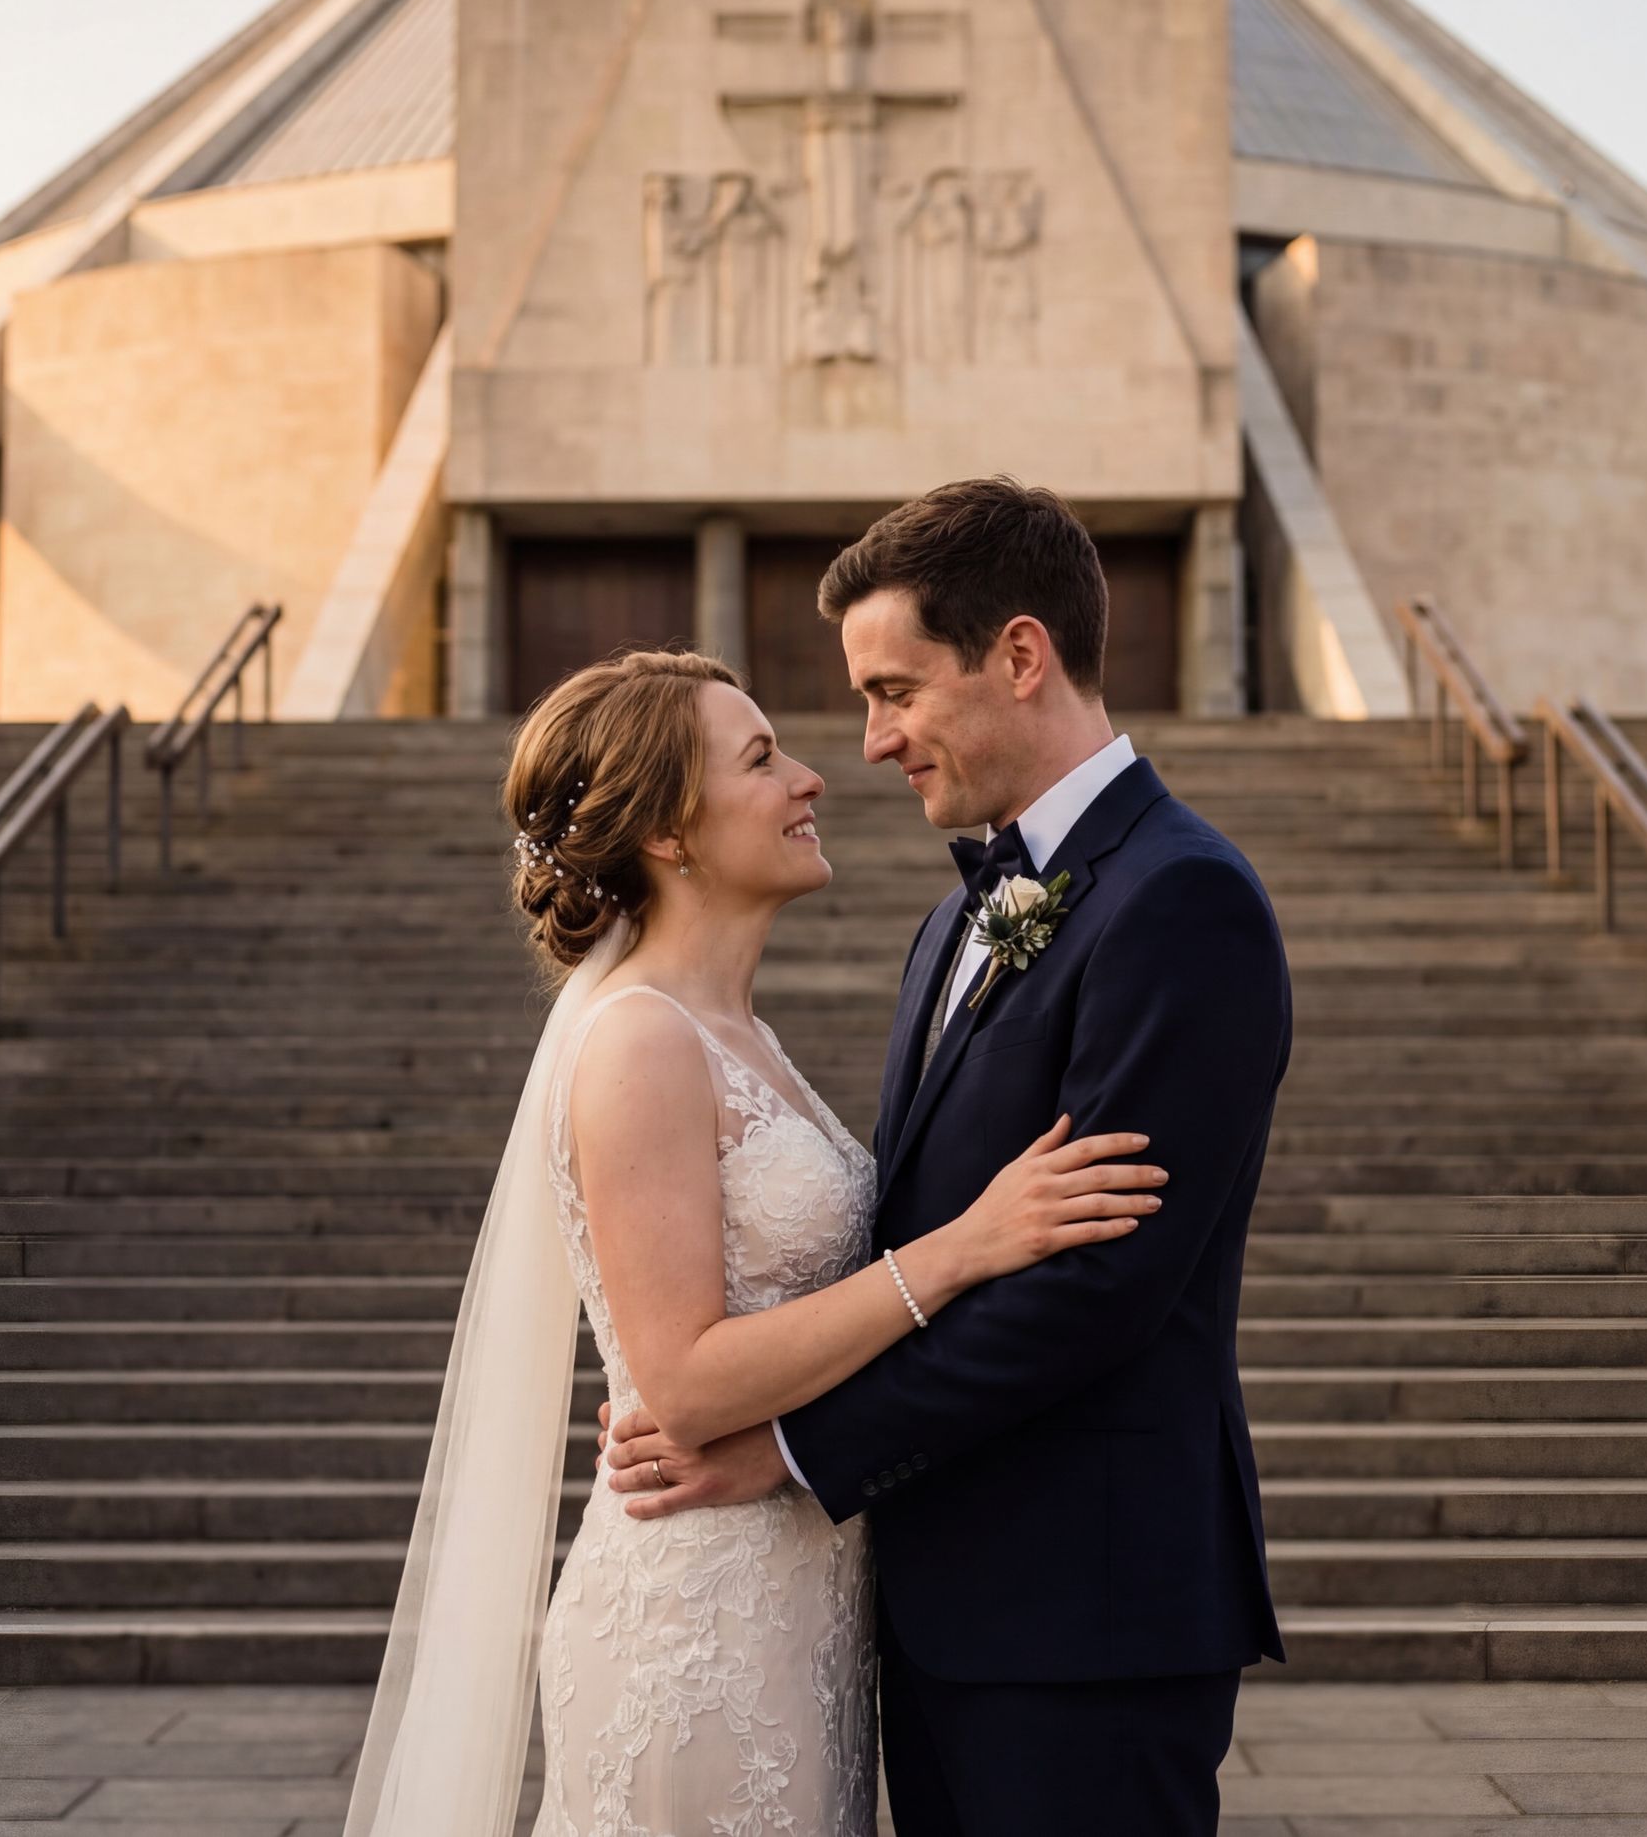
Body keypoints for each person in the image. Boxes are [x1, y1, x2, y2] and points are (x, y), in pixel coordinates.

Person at [343, 641, 1163, 1837]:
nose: (813, 778)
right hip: (695, 1628)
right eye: (764, 759)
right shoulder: (640, 1042)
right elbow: (679, 1379)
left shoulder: (741, 1036)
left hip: (799, 1604)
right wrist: (962, 1249)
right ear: (670, 834)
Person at [600, 477, 1293, 1833]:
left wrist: (790, 1451)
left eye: (896, 690)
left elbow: (1096, 1287)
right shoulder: (951, 924)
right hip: (936, 1612)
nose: (870, 742)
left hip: (1086, 1619)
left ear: (1020, 656)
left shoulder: (1181, 901)